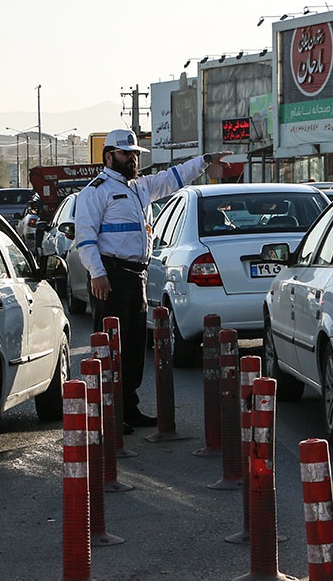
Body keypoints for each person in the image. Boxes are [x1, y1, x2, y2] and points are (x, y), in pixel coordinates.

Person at [74, 129, 231, 433]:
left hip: (136, 277)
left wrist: (206, 160)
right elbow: (85, 239)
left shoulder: (140, 187)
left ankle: (128, 408)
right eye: (126, 154)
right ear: (109, 157)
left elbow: (175, 176)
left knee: (133, 347)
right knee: (110, 348)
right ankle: (108, 413)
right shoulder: (95, 191)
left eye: (134, 154)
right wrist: (98, 273)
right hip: (112, 276)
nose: (132, 158)